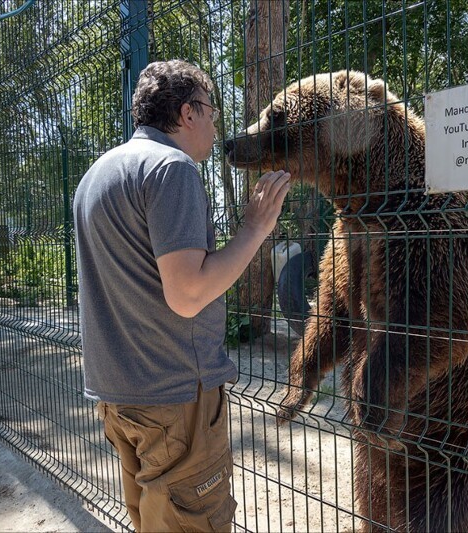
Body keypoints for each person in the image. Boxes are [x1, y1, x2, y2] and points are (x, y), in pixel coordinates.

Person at [73, 59, 290, 532]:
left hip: (117, 394)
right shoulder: (172, 170)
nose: (215, 123)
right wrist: (255, 228)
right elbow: (188, 294)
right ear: (188, 112)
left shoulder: (98, 174)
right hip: (172, 395)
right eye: (211, 110)